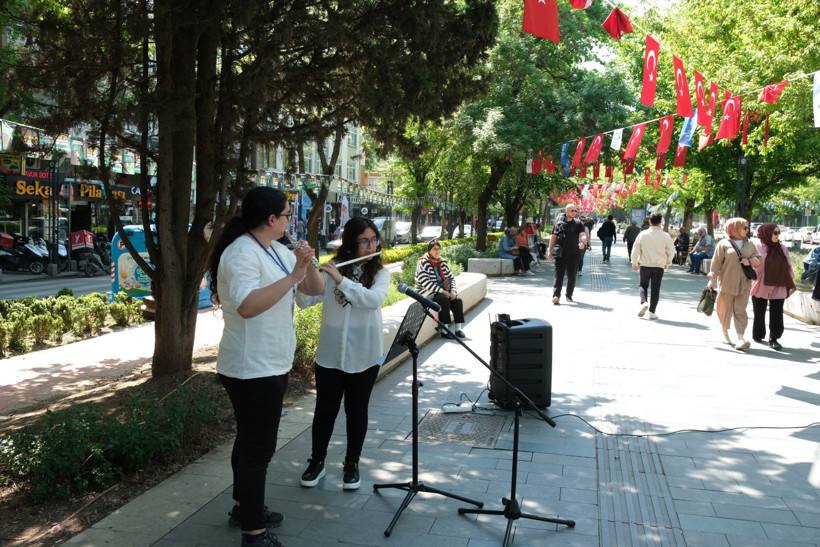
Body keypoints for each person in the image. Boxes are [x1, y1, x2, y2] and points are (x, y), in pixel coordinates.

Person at [208, 186, 324, 547]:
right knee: (258, 450)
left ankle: (244, 509)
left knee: (248, 443)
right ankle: (254, 534)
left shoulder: (276, 250)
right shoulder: (241, 252)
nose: (292, 220)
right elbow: (246, 305)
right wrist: (292, 276)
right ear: (271, 219)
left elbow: (312, 294)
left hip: (271, 362)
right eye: (288, 214)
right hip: (250, 366)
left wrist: (308, 264)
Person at [299, 217, 389, 491]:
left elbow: (373, 301)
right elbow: (304, 300)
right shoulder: (333, 267)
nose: (371, 245)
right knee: (324, 410)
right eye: (364, 240)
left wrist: (342, 281)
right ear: (351, 243)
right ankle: (317, 462)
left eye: (374, 239)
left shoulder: (381, 273)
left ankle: (352, 464)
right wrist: (307, 271)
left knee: (356, 411)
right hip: (330, 354)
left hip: (364, 353)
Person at [706, 218, 761, 350]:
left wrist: (750, 260)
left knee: (740, 310)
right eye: (745, 227)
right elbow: (716, 263)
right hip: (727, 282)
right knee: (725, 309)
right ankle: (724, 332)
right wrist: (711, 279)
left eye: (748, 227)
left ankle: (740, 338)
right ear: (734, 228)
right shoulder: (723, 244)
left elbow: (758, 259)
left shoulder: (749, 244)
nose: (747, 230)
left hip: (744, 282)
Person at [750, 223, 796, 350]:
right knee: (759, 311)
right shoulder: (757, 246)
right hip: (761, 283)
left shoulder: (782, 248)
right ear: (766, 233)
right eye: (775, 233)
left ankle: (774, 338)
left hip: (779, 284)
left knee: (777, 312)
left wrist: (790, 281)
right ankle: (758, 334)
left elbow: (788, 266)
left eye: (778, 232)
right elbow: (751, 263)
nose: (777, 235)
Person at [415, 239, 466, 339]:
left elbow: (451, 278)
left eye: (439, 249)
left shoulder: (442, 262)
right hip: (427, 292)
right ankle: (444, 330)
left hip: (443, 291)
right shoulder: (423, 262)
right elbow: (424, 282)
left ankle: (458, 329)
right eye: (434, 249)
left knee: (457, 300)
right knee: (443, 300)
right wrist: (443, 291)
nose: (437, 251)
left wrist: (453, 291)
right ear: (429, 250)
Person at [631, 212, 675, 320]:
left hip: (645, 264)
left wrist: (634, 262)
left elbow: (635, 249)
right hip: (659, 266)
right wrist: (668, 262)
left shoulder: (643, 234)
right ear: (661, 222)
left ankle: (644, 302)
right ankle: (652, 312)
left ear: (649, 222)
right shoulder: (665, 236)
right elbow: (671, 251)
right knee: (655, 289)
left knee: (642, 285)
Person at [547, 204, 588, 304]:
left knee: (571, 275)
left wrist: (583, 242)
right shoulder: (559, 222)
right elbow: (553, 236)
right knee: (558, 275)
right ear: (566, 211)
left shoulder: (578, 223)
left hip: (574, 254)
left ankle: (569, 295)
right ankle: (556, 296)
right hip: (560, 253)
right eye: (572, 211)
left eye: (575, 210)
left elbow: (583, 235)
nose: (574, 212)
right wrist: (550, 250)